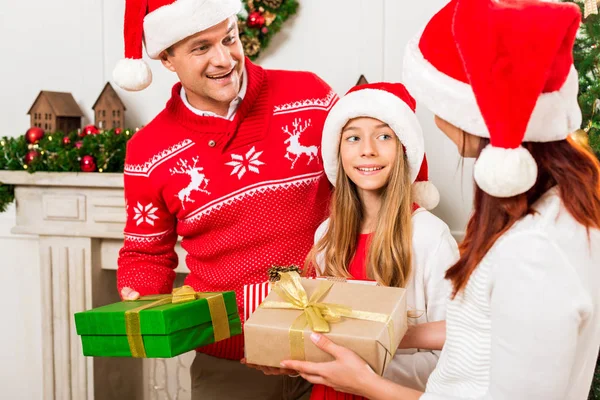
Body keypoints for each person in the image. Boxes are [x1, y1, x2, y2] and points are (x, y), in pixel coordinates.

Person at [280, 0, 600, 399]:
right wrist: (381, 335)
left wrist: (367, 384)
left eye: (438, 102)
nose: (433, 120)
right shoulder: (546, 221)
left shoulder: (532, 252)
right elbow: (478, 334)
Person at [113, 0, 337, 399]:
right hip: (230, 363)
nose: (224, 59)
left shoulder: (311, 97)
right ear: (167, 58)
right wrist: (139, 295)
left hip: (331, 346)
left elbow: (371, 190)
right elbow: (146, 253)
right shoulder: (149, 151)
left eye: (229, 38)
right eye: (201, 48)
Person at [308, 82, 458, 399]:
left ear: (403, 148)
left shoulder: (430, 236)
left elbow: (459, 339)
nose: (368, 150)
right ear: (338, 152)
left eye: (384, 136)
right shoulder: (326, 235)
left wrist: (369, 353)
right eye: (353, 137)